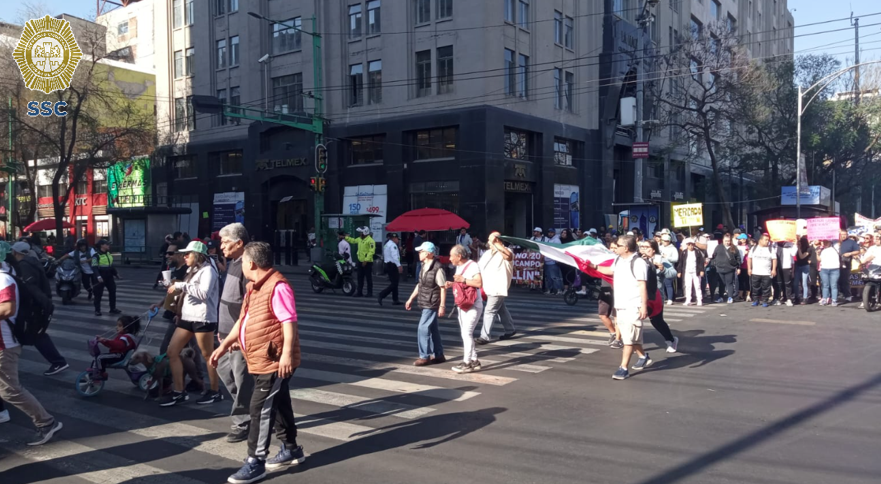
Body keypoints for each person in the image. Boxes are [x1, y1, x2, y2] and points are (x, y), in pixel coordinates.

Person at [210, 242, 305, 483]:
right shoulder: (254, 287)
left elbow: (288, 322)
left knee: (259, 408)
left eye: (242, 261)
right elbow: (243, 320)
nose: (240, 265)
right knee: (280, 402)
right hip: (261, 355)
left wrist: (285, 355)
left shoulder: (278, 286)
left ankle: (256, 460)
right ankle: (291, 448)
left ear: (251, 263)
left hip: (273, 359)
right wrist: (224, 345)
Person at [0, 241, 64, 445]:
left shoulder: (3, 279)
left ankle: (46, 422)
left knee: (9, 390)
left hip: (4, 346)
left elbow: (8, 308)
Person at [161, 241, 222, 407]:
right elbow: (188, 291)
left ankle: (215, 391)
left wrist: (180, 285)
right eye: (184, 254)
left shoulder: (208, 270)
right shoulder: (192, 270)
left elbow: (203, 293)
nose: (184, 256)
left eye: (188, 254)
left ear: (198, 255)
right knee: (172, 352)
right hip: (187, 317)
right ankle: (179, 392)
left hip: (203, 318)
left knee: (208, 355)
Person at [587, 235, 652, 381]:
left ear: (626, 248)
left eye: (619, 246)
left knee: (628, 340)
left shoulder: (638, 262)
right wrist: (594, 267)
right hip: (620, 304)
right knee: (631, 336)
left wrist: (643, 306)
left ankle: (623, 368)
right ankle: (643, 356)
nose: (616, 248)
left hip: (633, 305)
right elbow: (611, 271)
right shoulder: (619, 260)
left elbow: (642, 285)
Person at [216, 223, 255, 443]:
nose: (221, 246)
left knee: (241, 379)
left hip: (237, 336)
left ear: (239, 243)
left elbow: (248, 306)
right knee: (226, 373)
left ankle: (243, 421)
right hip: (225, 334)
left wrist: (238, 335)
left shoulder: (248, 266)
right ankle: (250, 412)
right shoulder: (233, 263)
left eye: (225, 242)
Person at [9, 242, 68, 376]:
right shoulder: (33, 262)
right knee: (24, 333)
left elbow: (31, 287)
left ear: (15, 252)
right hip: (36, 305)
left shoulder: (24, 265)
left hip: (33, 306)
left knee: (34, 334)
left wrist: (45, 305)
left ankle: (58, 362)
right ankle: (9, 362)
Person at [405, 242, 447, 366]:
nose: (419, 253)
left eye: (421, 251)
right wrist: (410, 298)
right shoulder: (423, 265)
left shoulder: (437, 268)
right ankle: (439, 354)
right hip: (424, 300)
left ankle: (424, 356)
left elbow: (443, 288)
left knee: (422, 328)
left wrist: (442, 306)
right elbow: (420, 284)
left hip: (432, 302)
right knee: (433, 328)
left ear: (428, 253)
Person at [446, 244, 483, 374]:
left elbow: (478, 283)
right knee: (466, 333)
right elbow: (462, 284)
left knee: (466, 333)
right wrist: (452, 284)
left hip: (473, 304)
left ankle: (467, 363)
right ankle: (474, 360)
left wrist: (463, 279)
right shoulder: (459, 267)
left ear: (459, 256)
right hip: (463, 304)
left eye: (451, 256)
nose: (450, 258)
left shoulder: (472, 265)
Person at [638, 240, 680, 353]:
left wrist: (662, 269)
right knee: (636, 320)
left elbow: (673, 273)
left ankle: (671, 340)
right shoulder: (638, 260)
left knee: (657, 321)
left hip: (655, 296)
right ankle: (635, 345)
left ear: (653, 249)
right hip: (639, 295)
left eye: (646, 247)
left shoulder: (660, 259)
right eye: (642, 247)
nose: (643, 249)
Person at [475, 232, 516, 344]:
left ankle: (485, 336)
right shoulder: (487, 253)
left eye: (491, 240)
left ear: (498, 240)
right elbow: (478, 267)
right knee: (501, 309)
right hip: (487, 287)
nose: (489, 242)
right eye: (489, 240)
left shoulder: (506, 251)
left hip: (498, 288)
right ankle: (510, 329)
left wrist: (497, 243)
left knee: (490, 311)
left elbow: (509, 256)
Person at [92, 239, 121, 316]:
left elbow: (111, 265)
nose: (108, 246)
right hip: (100, 277)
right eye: (107, 244)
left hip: (109, 276)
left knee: (112, 292)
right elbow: (94, 267)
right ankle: (97, 310)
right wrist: (98, 276)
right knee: (98, 294)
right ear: (102, 245)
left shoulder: (108, 254)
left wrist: (116, 274)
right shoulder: (96, 255)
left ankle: (113, 308)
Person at [748, 234, 776, 308]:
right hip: (756, 272)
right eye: (765, 240)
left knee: (766, 288)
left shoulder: (770, 249)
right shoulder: (754, 248)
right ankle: (755, 300)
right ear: (760, 240)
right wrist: (749, 268)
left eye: (768, 240)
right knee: (755, 287)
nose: (767, 241)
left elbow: (774, 259)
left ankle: (765, 301)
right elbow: (749, 258)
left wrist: (773, 269)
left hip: (766, 272)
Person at [347, 227, 375, 298]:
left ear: (365, 232)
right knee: (360, 278)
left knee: (368, 278)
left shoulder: (370, 241)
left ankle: (369, 293)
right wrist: (346, 237)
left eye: (361, 233)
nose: (360, 234)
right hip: (360, 261)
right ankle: (359, 292)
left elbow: (371, 252)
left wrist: (366, 260)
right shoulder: (360, 239)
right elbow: (353, 241)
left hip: (367, 262)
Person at [713, 235, 741, 304]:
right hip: (720, 268)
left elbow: (738, 258)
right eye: (726, 241)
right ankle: (721, 297)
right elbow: (714, 255)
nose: (727, 242)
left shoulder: (734, 248)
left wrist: (738, 268)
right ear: (723, 240)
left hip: (730, 268)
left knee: (729, 283)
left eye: (728, 241)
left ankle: (730, 297)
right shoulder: (718, 247)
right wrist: (715, 264)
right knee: (721, 283)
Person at [677, 238, 705, 306]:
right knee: (688, 286)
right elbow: (681, 262)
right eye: (689, 245)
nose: (690, 246)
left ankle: (699, 299)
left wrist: (701, 270)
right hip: (687, 271)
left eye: (692, 244)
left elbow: (701, 262)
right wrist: (679, 271)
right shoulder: (684, 252)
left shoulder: (697, 252)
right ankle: (688, 299)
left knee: (697, 286)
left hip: (696, 271)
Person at [378, 233, 403, 306]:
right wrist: (399, 266)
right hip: (393, 265)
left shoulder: (387, 244)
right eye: (397, 239)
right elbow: (394, 256)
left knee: (394, 283)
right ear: (394, 238)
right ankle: (382, 294)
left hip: (388, 264)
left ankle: (395, 299)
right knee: (394, 283)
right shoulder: (393, 245)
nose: (398, 241)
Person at [836, 230, 861, 302]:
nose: (843, 236)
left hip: (846, 263)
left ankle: (847, 296)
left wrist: (850, 254)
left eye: (845, 234)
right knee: (836, 281)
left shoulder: (851, 242)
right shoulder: (835, 242)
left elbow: (858, 251)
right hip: (835, 264)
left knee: (845, 280)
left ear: (847, 234)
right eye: (841, 234)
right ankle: (838, 295)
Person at [858, 232, 881, 309]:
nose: (877, 239)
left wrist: (870, 258)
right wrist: (862, 263)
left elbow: (872, 256)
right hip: (873, 268)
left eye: (878, 238)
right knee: (868, 281)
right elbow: (867, 257)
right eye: (876, 238)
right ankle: (867, 300)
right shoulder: (872, 248)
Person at [774, 240, 797, 306]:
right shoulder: (775, 244)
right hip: (777, 266)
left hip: (786, 266)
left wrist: (795, 243)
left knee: (788, 283)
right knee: (778, 283)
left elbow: (793, 253)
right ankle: (777, 298)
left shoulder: (790, 244)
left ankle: (788, 299)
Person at [818, 239, 841, 306]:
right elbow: (819, 259)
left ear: (830, 242)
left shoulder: (835, 247)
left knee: (833, 285)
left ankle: (834, 300)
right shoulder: (822, 250)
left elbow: (839, 241)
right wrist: (817, 253)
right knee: (825, 285)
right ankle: (824, 299)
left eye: (826, 242)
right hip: (824, 269)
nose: (824, 243)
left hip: (834, 269)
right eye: (823, 242)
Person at [794, 235, 814, 305]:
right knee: (795, 283)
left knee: (804, 283)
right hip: (797, 266)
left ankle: (805, 297)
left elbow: (801, 256)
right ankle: (797, 297)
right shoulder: (796, 248)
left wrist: (799, 248)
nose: (799, 243)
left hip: (805, 266)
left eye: (800, 242)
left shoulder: (808, 249)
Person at [544, 228, 563, 295]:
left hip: (553, 261)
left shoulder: (557, 240)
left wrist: (557, 259)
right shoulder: (547, 240)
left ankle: (559, 290)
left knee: (555, 277)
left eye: (551, 232)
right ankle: (550, 290)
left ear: (554, 233)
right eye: (549, 232)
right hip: (547, 261)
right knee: (548, 277)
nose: (550, 233)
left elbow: (559, 250)